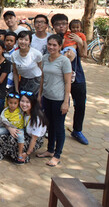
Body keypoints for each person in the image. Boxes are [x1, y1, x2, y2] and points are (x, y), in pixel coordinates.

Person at [51, 14, 88, 146]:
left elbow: (84, 54)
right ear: (53, 26)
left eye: (64, 23)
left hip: (77, 76)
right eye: (58, 24)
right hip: (60, 78)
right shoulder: (52, 40)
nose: (61, 26)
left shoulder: (73, 35)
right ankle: (56, 131)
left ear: (68, 25)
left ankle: (77, 130)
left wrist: (80, 41)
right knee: (60, 106)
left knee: (80, 104)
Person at [37, 34, 72, 167]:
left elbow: (68, 83)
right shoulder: (45, 58)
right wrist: (40, 95)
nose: (51, 47)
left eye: (54, 45)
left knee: (59, 127)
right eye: (49, 44)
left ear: (60, 46)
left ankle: (57, 155)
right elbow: (42, 78)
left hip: (59, 99)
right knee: (49, 125)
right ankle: (50, 150)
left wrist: (65, 102)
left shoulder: (64, 61)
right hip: (47, 97)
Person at [0, 92, 47, 163]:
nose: (24, 104)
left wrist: (27, 153)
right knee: (4, 136)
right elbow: (6, 122)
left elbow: (34, 139)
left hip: (35, 140)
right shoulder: (21, 112)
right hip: (25, 133)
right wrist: (10, 129)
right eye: (22, 101)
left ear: (32, 103)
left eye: (27, 102)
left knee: (13, 139)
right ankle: (0, 154)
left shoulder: (37, 118)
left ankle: (22, 156)